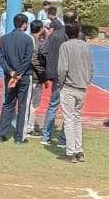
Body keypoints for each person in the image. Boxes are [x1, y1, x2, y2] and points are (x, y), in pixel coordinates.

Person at [57, 21, 93, 163]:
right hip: (82, 87)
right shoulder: (85, 46)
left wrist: (61, 83)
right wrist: (87, 80)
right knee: (77, 119)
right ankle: (79, 150)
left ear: (66, 33)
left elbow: (62, 68)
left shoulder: (65, 46)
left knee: (69, 119)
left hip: (69, 86)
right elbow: (90, 66)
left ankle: (71, 151)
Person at [0, 14, 34, 144]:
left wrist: (11, 72)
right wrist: (18, 74)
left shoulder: (4, 39)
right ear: (24, 24)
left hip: (10, 77)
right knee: (23, 106)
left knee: (8, 103)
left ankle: (1, 134)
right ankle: (19, 137)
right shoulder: (28, 39)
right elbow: (27, 59)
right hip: (23, 77)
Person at [40, 17, 69, 148]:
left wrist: (48, 67)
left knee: (53, 105)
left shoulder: (54, 36)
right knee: (68, 109)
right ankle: (63, 140)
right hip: (69, 75)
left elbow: (43, 50)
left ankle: (46, 136)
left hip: (56, 74)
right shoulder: (75, 35)